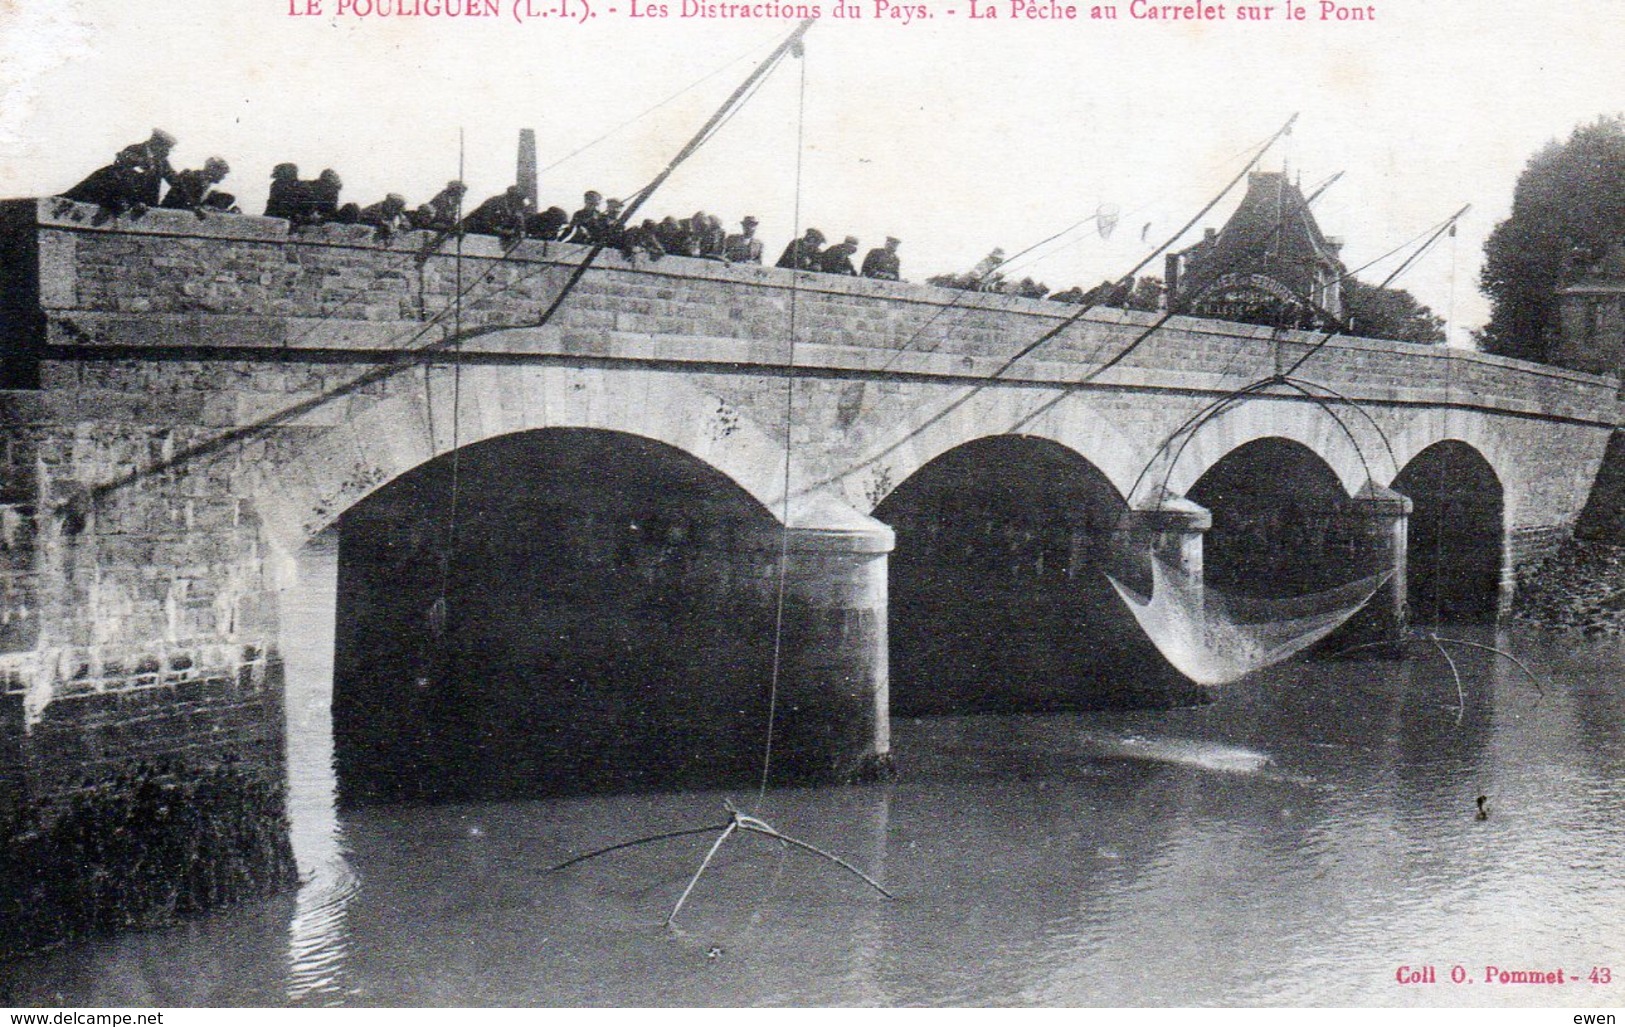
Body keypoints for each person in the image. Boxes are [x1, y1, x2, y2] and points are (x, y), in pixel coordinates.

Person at [61, 129, 178, 213]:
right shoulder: (134, 151)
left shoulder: (161, 160)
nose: (167, 153)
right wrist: (135, 201)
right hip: (128, 201)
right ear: (156, 144)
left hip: (147, 205)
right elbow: (123, 179)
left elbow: (173, 179)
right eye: (166, 149)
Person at [160, 157, 234, 212]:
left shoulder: (205, 185)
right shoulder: (191, 178)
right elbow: (185, 201)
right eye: (222, 173)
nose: (223, 177)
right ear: (213, 170)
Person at [462, 185, 529, 239]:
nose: (518, 203)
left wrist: (520, 230)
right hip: (472, 230)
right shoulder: (494, 202)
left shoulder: (515, 208)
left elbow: (519, 226)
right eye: (517, 199)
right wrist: (502, 232)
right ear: (510, 197)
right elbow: (485, 222)